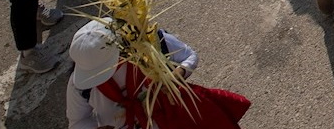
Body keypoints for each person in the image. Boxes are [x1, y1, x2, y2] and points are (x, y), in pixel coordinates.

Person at [64, 19, 230, 129]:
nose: (97, 75)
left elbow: (189, 56)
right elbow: (77, 121)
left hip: (172, 120)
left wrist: (177, 74)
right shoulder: (79, 86)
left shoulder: (151, 45)